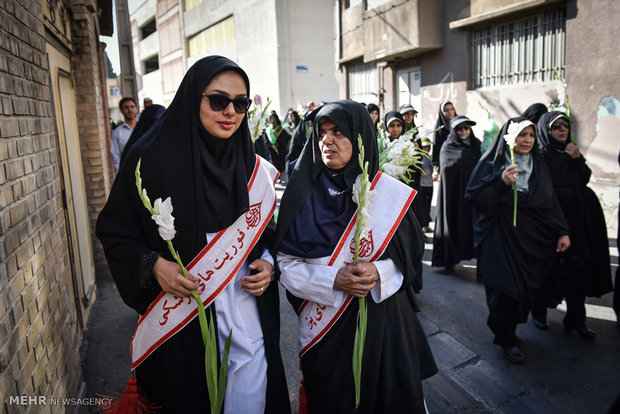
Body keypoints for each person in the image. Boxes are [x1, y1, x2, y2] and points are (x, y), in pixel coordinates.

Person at [95, 55, 290, 413]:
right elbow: (115, 232)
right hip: (182, 316)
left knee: (252, 395)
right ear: (191, 98)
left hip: (245, 306)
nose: (230, 111)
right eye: (218, 100)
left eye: (240, 103)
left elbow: (266, 231)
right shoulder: (148, 159)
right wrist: (153, 265)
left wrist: (267, 261)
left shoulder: (250, 160)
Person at [274, 100, 437, 413]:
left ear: (361, 135)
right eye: (322, 132)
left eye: (338, 131)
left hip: (384, 323)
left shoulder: (386, 192)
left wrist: (379, 272)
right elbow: (286, 265)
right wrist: (333, 279)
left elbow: (410, 253)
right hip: (325, 330)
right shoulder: (300, 192)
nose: (327, 140)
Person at [465, 117, 571, 364]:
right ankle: (506, 337)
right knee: (503, 290)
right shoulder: (493, 163)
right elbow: (475, 198)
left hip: (530, 238)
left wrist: (562, 231)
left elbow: (549, 201)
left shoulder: (538, 165)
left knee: (523, 289)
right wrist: (501, 184)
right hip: (499, 237)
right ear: (509, 138)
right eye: (522, 135)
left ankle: (512, 327)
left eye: (531, 135)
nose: (527, 140)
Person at [530, 111, 612, 338]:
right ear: (547, 131)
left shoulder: (571, 151)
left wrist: (577, 159)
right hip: (552, 221)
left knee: (578, 269)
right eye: (556, 126)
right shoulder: (542, 156)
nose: (562, 130)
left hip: (579, 221)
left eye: (565, 125)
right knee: (549, 270)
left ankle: (576, 319)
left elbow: (584, 177)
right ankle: (538, 312)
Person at [431, 115, 481, 269]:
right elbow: (447, 169)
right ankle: (449, 258)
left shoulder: (476, 145)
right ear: (453, 130)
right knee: (452, 222)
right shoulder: (447, 147)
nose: (464, 131)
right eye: (459, 128)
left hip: (471, 194)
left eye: (467, 127)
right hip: (453, 195)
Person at [110, 97, 139, 172]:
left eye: (132, 107)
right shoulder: (117, 132)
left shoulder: (146, 129)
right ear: (121, 111)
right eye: (126, 107)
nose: (130, 110)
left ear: (136, 108)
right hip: (129, 172)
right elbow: (116, 157)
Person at [432, 100, 457, 180]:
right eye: (446, 110)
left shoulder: (459, 125)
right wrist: (436, 169)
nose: (450, 112)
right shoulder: (439, 128)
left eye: (452, 109)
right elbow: (436, 149)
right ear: (442, 112)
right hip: (446, 163)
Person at [266, 110, 291, 182]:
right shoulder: (269, 129)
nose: (269, 119)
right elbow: (266, 140)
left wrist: (278, 145)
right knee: (274, 163)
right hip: (272, 150)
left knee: (281, 163)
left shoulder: (281, 129)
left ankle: (281, 176)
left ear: (275, 119)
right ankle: (276, 177)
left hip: (280, 150)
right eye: (269, 118)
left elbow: (286, 138)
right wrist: (271, 145)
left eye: (271, 118)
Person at [418, 136, 434, 233]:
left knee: (428, 206)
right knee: (422, 207)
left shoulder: (431, 158)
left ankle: (426, 224)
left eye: (428, 147)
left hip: (430, 185)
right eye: (424, 147)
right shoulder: (419, 158)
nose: (426, 149)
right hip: (421, 186)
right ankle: (422, 225)